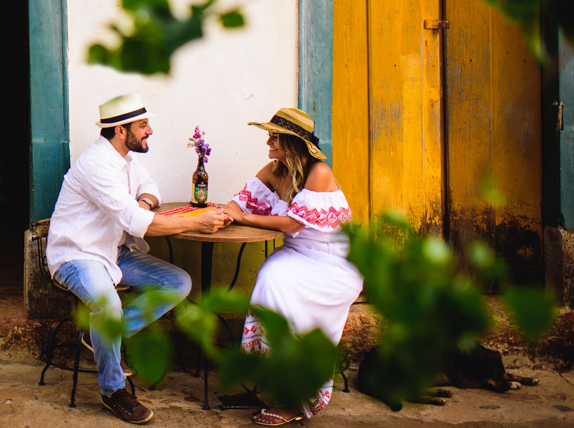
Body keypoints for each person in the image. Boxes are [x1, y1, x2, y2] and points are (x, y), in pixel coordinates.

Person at [46, 93, 232, 424]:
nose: (149, 131)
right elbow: (141, 225)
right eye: (143, 125)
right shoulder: (96, 166)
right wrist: (196, 221)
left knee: (178, 282)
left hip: (113, 253)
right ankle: (114, 391)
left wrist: (142, 204)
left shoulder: (126, 159)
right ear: (120, 130)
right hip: (76, 255)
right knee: (109, 306)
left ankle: (101, 336)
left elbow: (149, 188)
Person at [224, 107, 363, 426]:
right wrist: (232, 211)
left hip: (330, 263)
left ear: (291, 142)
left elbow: (290, 223)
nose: (268, 142)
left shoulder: (319, 173)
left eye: (274, 136)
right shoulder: (275, 169)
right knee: (270, 278)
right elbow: (238, 201)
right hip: (296, 255)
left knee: (280, 285)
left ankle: (298, 398)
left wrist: (243, 217)